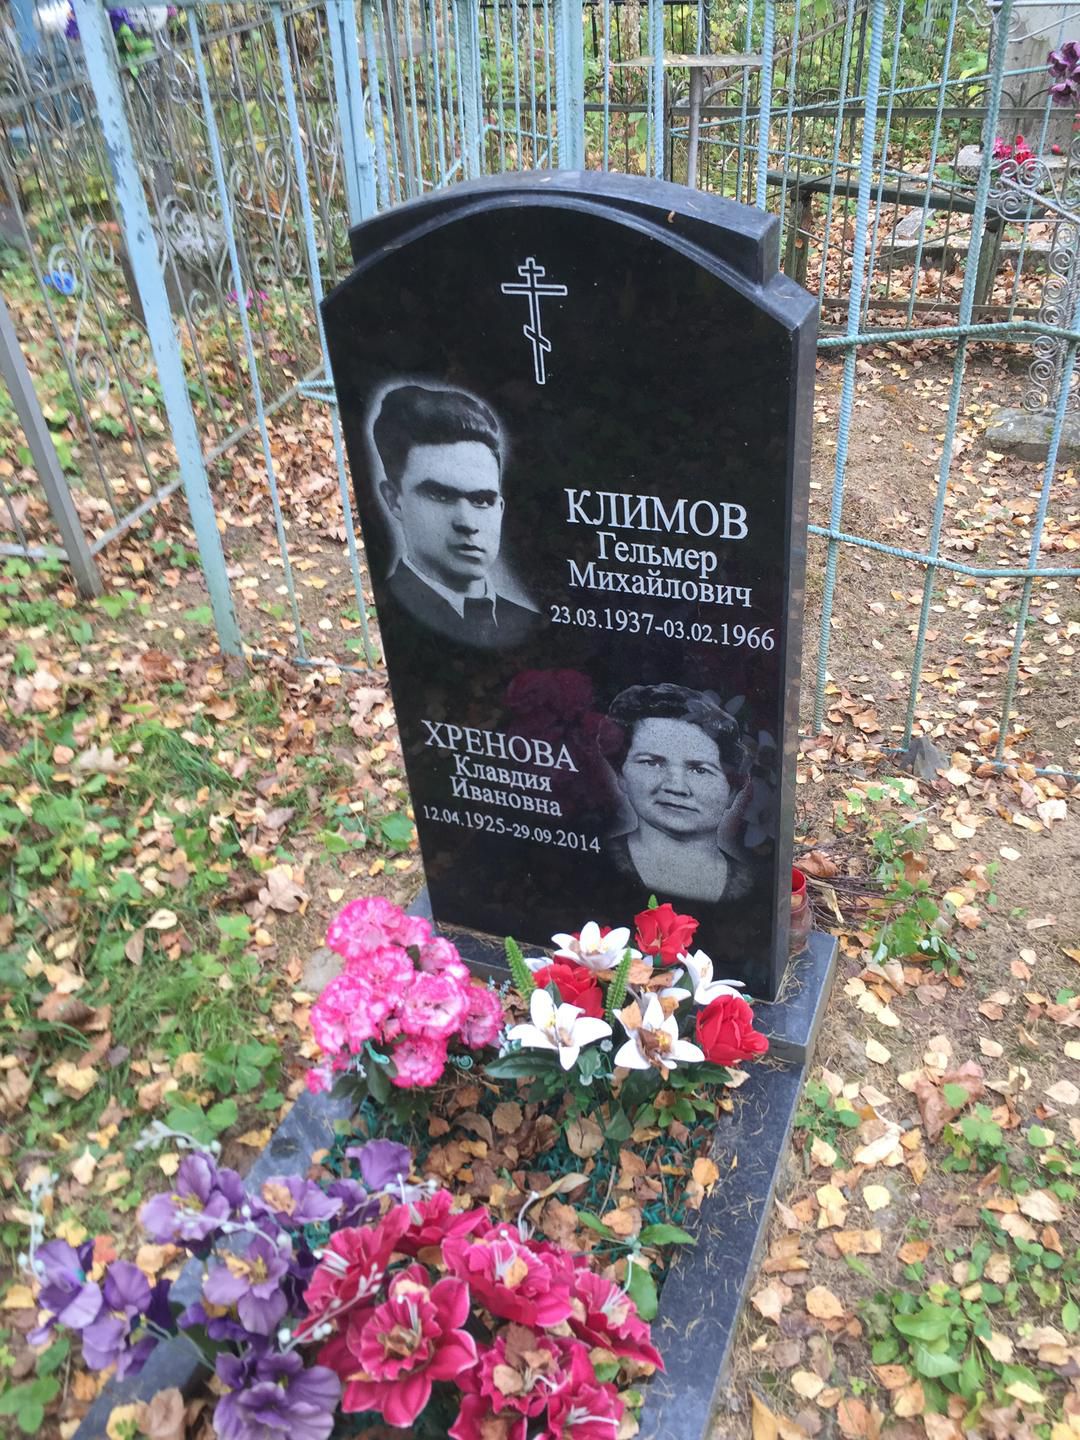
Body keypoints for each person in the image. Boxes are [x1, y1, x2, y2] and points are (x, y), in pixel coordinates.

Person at [369, 383, 537, 648]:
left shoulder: (530, 624)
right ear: (394, 499)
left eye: (482, 500)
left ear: (500, 508)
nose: (467, 523)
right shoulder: (394, 607)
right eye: (441, 496)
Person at [604, 683, 753, 905]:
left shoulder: (753, 886)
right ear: (621, 775)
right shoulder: (596, 863)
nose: (676, 787)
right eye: (652, 763)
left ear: (732, 790)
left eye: (699, 770)